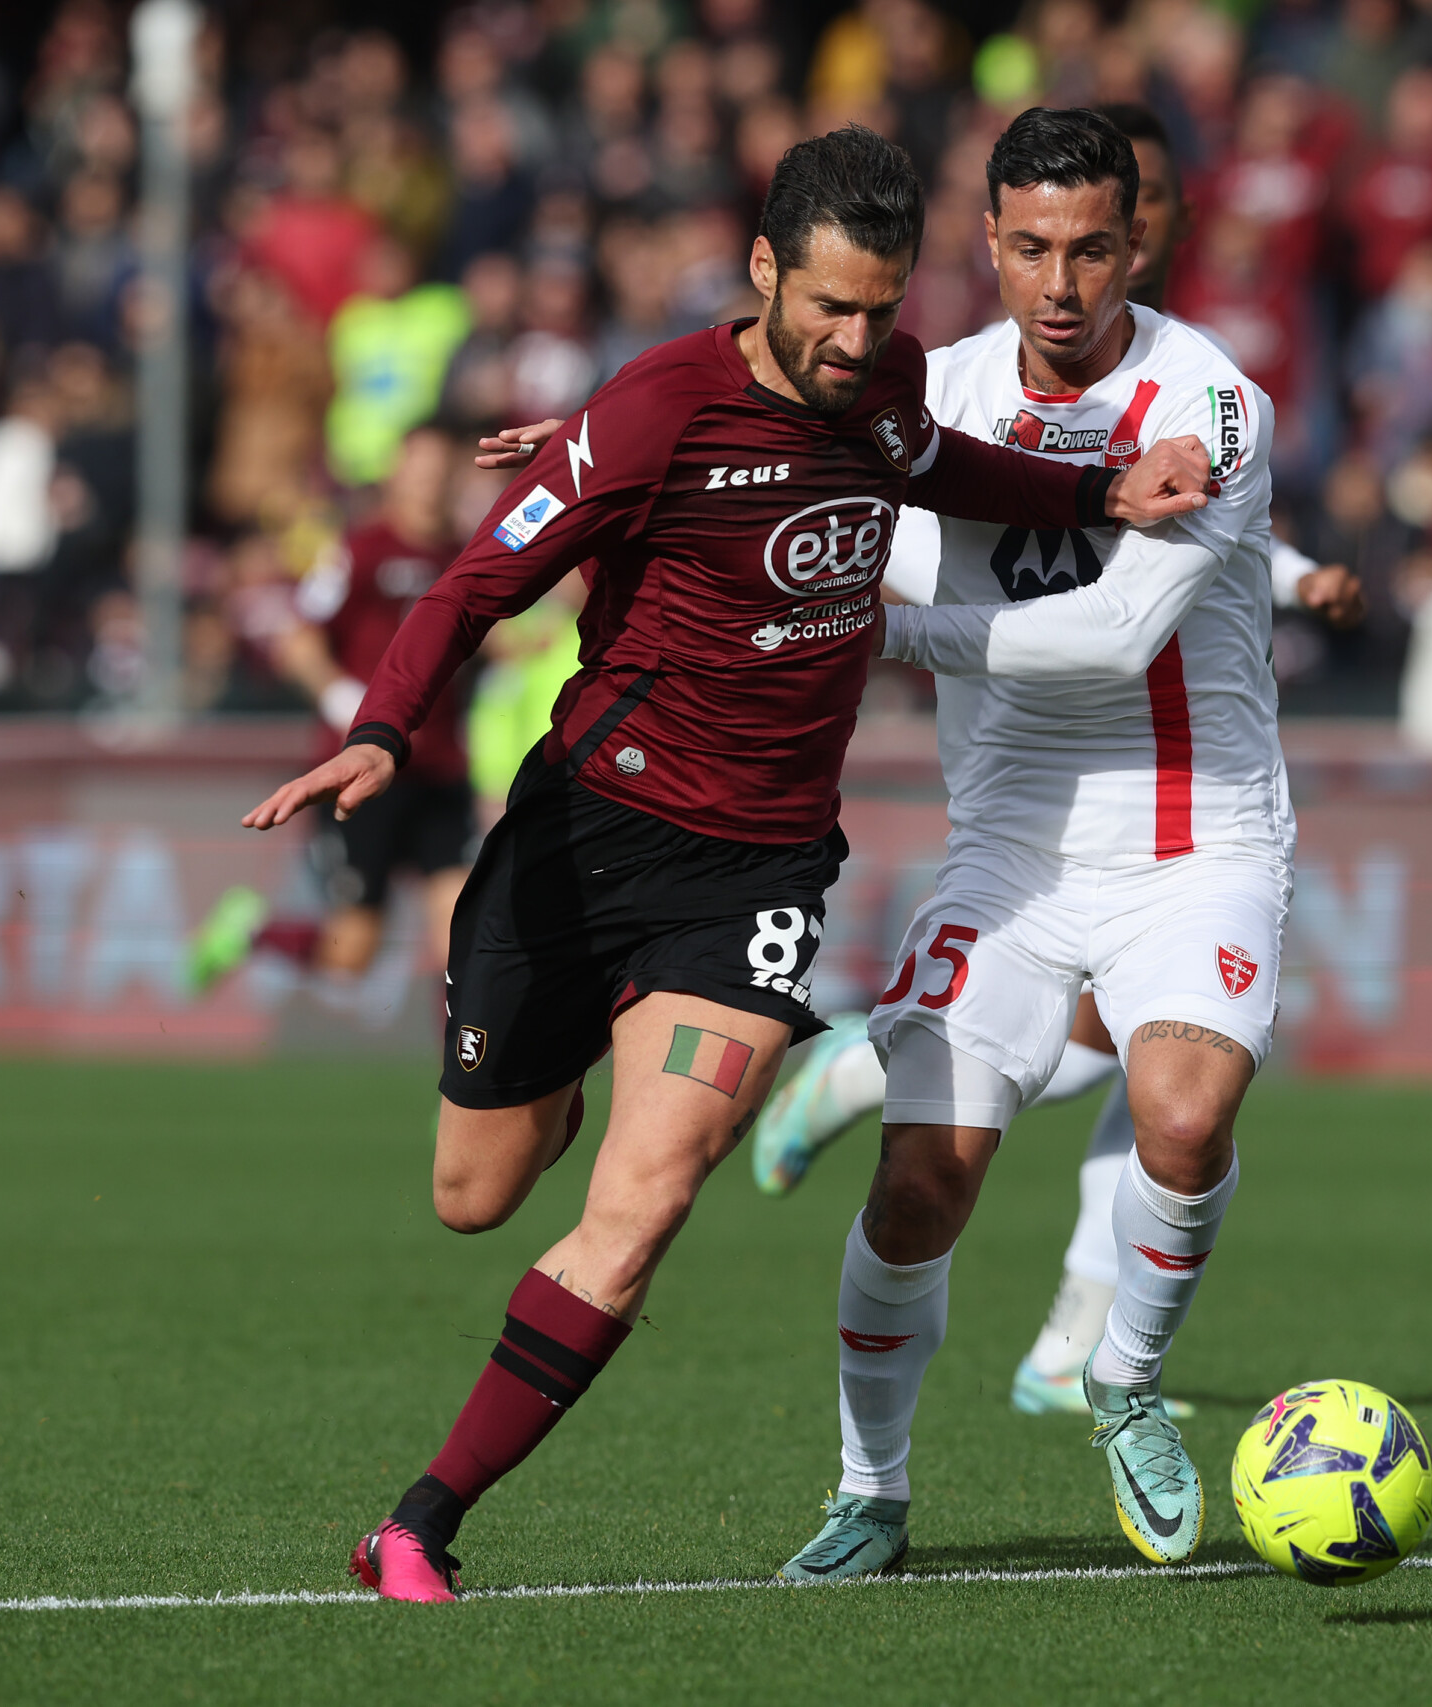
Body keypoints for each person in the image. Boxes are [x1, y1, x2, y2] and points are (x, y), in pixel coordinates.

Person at [239, 124, 1217, 1605]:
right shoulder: (649, 415)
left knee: (648, 1202)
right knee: (475, 1191)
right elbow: (474, 580)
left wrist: (1096, 498)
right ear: (764, 270)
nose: (853, 339)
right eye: (826, 304)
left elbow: (941, 462)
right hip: (584, 838)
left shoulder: (882, 384)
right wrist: (383, 730)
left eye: (880, 309)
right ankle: (560, 1062)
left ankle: (421, 1520)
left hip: (753, 877)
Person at [748, 102, 1365, 1428]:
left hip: (1198, 828)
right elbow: (792, 460)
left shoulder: (1210, 403)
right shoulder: (939, 391)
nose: (1061, 283)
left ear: (1136, 243)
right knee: (920, 1183)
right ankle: (870, 1488)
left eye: (1090, 248)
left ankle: (1119, 1378)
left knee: (1184, 1115)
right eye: (1031, 248)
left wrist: (876, 628)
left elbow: (1117, 631)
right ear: (988, 241)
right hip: (1013, 839)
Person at [189, 427, 478, 994]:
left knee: (461, 941)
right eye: (419, 468)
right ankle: (252, 932)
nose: (430, 482)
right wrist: (341, 697)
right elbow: (298, 639)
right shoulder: (359, 551)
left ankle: (459, 1080)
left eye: (441, 469)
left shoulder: (467, 553)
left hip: (439, 768)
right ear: (396, 474)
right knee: (354, 955)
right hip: (361, 770)